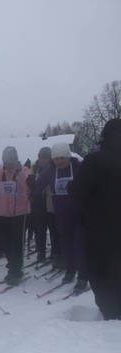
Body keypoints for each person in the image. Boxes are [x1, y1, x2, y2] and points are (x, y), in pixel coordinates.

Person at [70, 118, 121, 319]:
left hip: (100, 227)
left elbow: (77, 192)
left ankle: (111, 312)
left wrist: (69, 187)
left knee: (101, 268)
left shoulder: (94, 161)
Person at [43, 142, 88, 289]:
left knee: (79, 244)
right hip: (61, 214)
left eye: (62, 158)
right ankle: (70, 270)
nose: (60, 161)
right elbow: (38, 184)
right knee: (66, 243)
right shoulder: (50, 170)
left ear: (68, 156)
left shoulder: (78, 167)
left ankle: (83, 275)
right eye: (56, 158)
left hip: (78, 214)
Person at [0, 146, 30, 285]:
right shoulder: (0, 172)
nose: (9, 165)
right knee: (5, 243)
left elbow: (27, 187)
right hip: (3, 212)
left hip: (19, 212)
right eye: (7, 161)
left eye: (11, 161)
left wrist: (19, 174)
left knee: (17, 243)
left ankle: (16, 270)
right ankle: (12, 265)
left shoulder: (23, 171)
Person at [29, 147, 59, 264]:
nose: (43, 160)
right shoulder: (34, 168)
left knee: (53, 229)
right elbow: (29, 181)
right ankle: (41, 251)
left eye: (46, 158)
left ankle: (55, 251)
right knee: (39, 229)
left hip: (50, 202)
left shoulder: (54, 168)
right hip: (38, 203)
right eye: (41, 158)